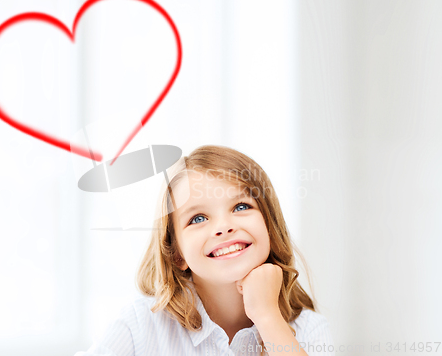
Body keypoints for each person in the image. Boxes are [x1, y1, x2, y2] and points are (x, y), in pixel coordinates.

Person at [75, 145, 334, 355]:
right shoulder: (140, 325)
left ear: (270, 225)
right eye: (198, 218)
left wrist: (267, 318)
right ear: (177, 255)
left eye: (241, 207)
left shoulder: (307, 329)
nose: (223, 227)